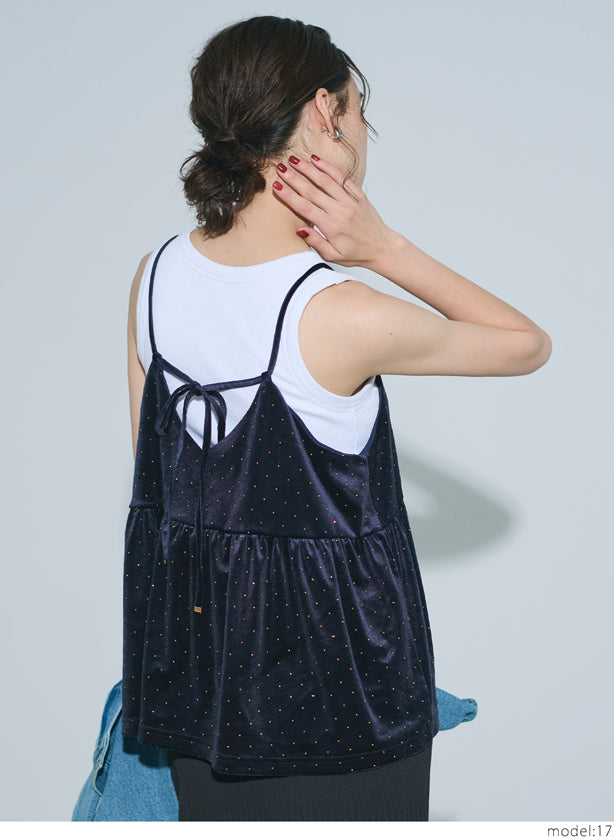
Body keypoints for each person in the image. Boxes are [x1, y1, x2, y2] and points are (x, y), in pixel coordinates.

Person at [124, 15, 551, 822]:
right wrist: (383, 247)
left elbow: (167, 493)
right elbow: (526, 344)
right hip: (345, 702)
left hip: (200, 689)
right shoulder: (341, 312)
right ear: (326, 111)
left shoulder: (154, 278)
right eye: (360, 111)